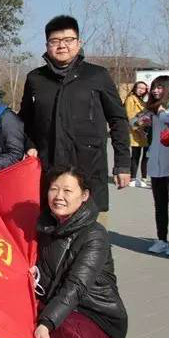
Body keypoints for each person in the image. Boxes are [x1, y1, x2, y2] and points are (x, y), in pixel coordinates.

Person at [0, 167, 127, 338]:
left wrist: (46, 323)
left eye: (67, 191)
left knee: (56, 326)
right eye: (54, 189)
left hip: (98, 318)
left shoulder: (95, 235)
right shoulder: (44, 227)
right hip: (59, 308)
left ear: (84, 195)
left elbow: (76, 286)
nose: (59, 196)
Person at [19, 15, 131, 222]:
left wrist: (123, 164)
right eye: (55, 41)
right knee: (49, 232)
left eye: (68, 40)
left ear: (78, 43)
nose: (62, 45)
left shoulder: (97, 75)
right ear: (47, 45)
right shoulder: (36, 79)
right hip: (50, 170)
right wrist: (30, 145)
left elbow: (118, 119)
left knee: (91, 234)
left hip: (89, 168)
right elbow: (24, 122)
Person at [144, 75, 169, 257]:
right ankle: (161, 240)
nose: (155, 90)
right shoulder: (152, 108)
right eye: (154, 87)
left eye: (159, 87)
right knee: (160, 205)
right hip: (155, 163)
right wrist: (142, 122)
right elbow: (133, 123)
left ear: (168, 88)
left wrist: (159, 111)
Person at [124, 81, 150, 188]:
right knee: (135, 155)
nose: (141, 90)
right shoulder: (131, 99)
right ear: (135, 88)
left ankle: (144, 178)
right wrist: (139, 130)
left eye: (144, 89)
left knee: (146, 156)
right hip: (136, 132)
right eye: (139, 88)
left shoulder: (143, 101)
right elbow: (130, 116)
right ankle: (133, 178)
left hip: (145, 132)